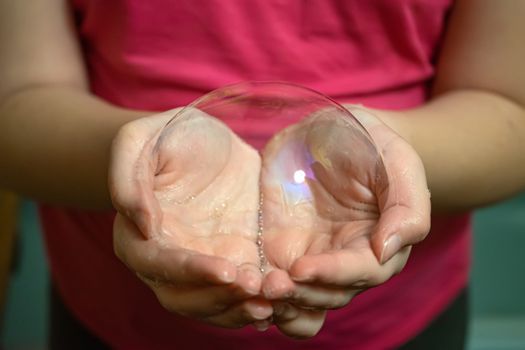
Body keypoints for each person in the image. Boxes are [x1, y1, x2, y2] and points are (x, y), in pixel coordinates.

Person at [0, 0, 524, 349]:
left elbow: (512, 113)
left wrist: (384, 154)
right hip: (114, 318)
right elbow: (16, 103)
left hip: (400, 323)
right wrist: (139, 162)